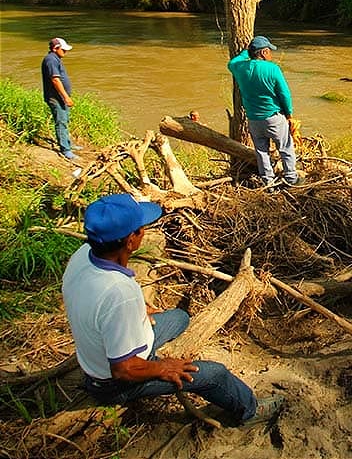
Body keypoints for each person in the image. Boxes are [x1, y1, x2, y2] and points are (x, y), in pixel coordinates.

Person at [62, 194, 284, 426]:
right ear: (130, 240)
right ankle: (250, 411)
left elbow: (96, 303)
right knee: (215, 375)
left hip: (104, 354)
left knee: (180, 318)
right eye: (141, 228)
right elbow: (123, 370)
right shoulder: (119, 294)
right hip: (114, 383)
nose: (144, 231)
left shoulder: (83, 256)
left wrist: (136, 312)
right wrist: (162, 367)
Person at [227, 35, 302, 188]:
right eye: (269, 51)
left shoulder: (240, 68)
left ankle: (268, 182)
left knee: (261, 152)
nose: (271, 54)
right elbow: (284, 94)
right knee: (285, 148)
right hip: (273, 118)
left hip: (253, 119)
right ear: (263, 52)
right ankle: (291, 179)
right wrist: (289, 114)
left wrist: (246, 52)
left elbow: (231, 63)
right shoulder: (273, 69)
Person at [41, 37, 81, 160]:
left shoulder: (55, 59)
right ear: (55, 48)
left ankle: (68, 143)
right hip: (56, 98)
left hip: (60, 97)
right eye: (63, 50)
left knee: (65, 120)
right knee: (61, 122)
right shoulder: (51, 60)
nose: (65, 52)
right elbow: (55, 80)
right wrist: (66, 97)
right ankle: (65, 150)